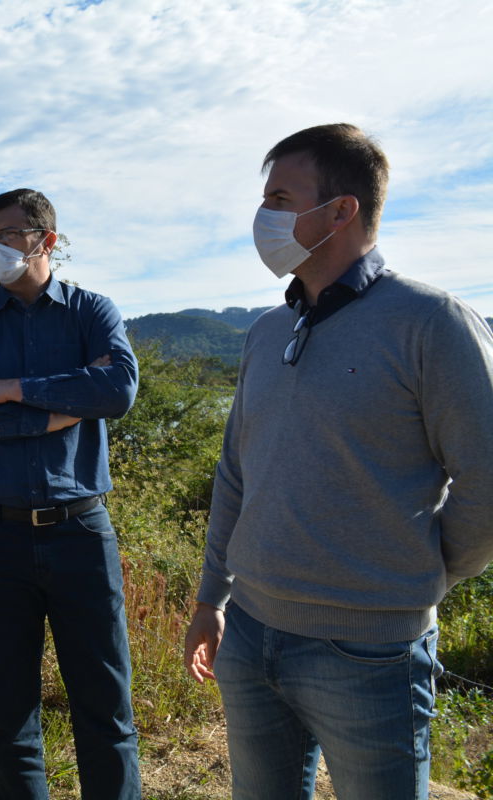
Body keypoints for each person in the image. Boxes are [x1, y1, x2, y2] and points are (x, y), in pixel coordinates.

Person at [183, 123, 493, 800]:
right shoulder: (267, 333)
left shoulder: (432, 322)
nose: (263, 217)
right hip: (252, 635)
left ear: (341, 210)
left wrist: (426, 574)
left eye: (279, 197)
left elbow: (487, 477)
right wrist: (212, 598)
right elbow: (236, 473)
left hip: (371, 655)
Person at [0, 188, 141, 799]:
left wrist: (7, 388)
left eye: (8, 234)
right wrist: (52, 413)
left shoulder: (91, 313)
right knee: (8, 716)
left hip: (80, 532)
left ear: (46, 240)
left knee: (105, 710)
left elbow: (117, 391)